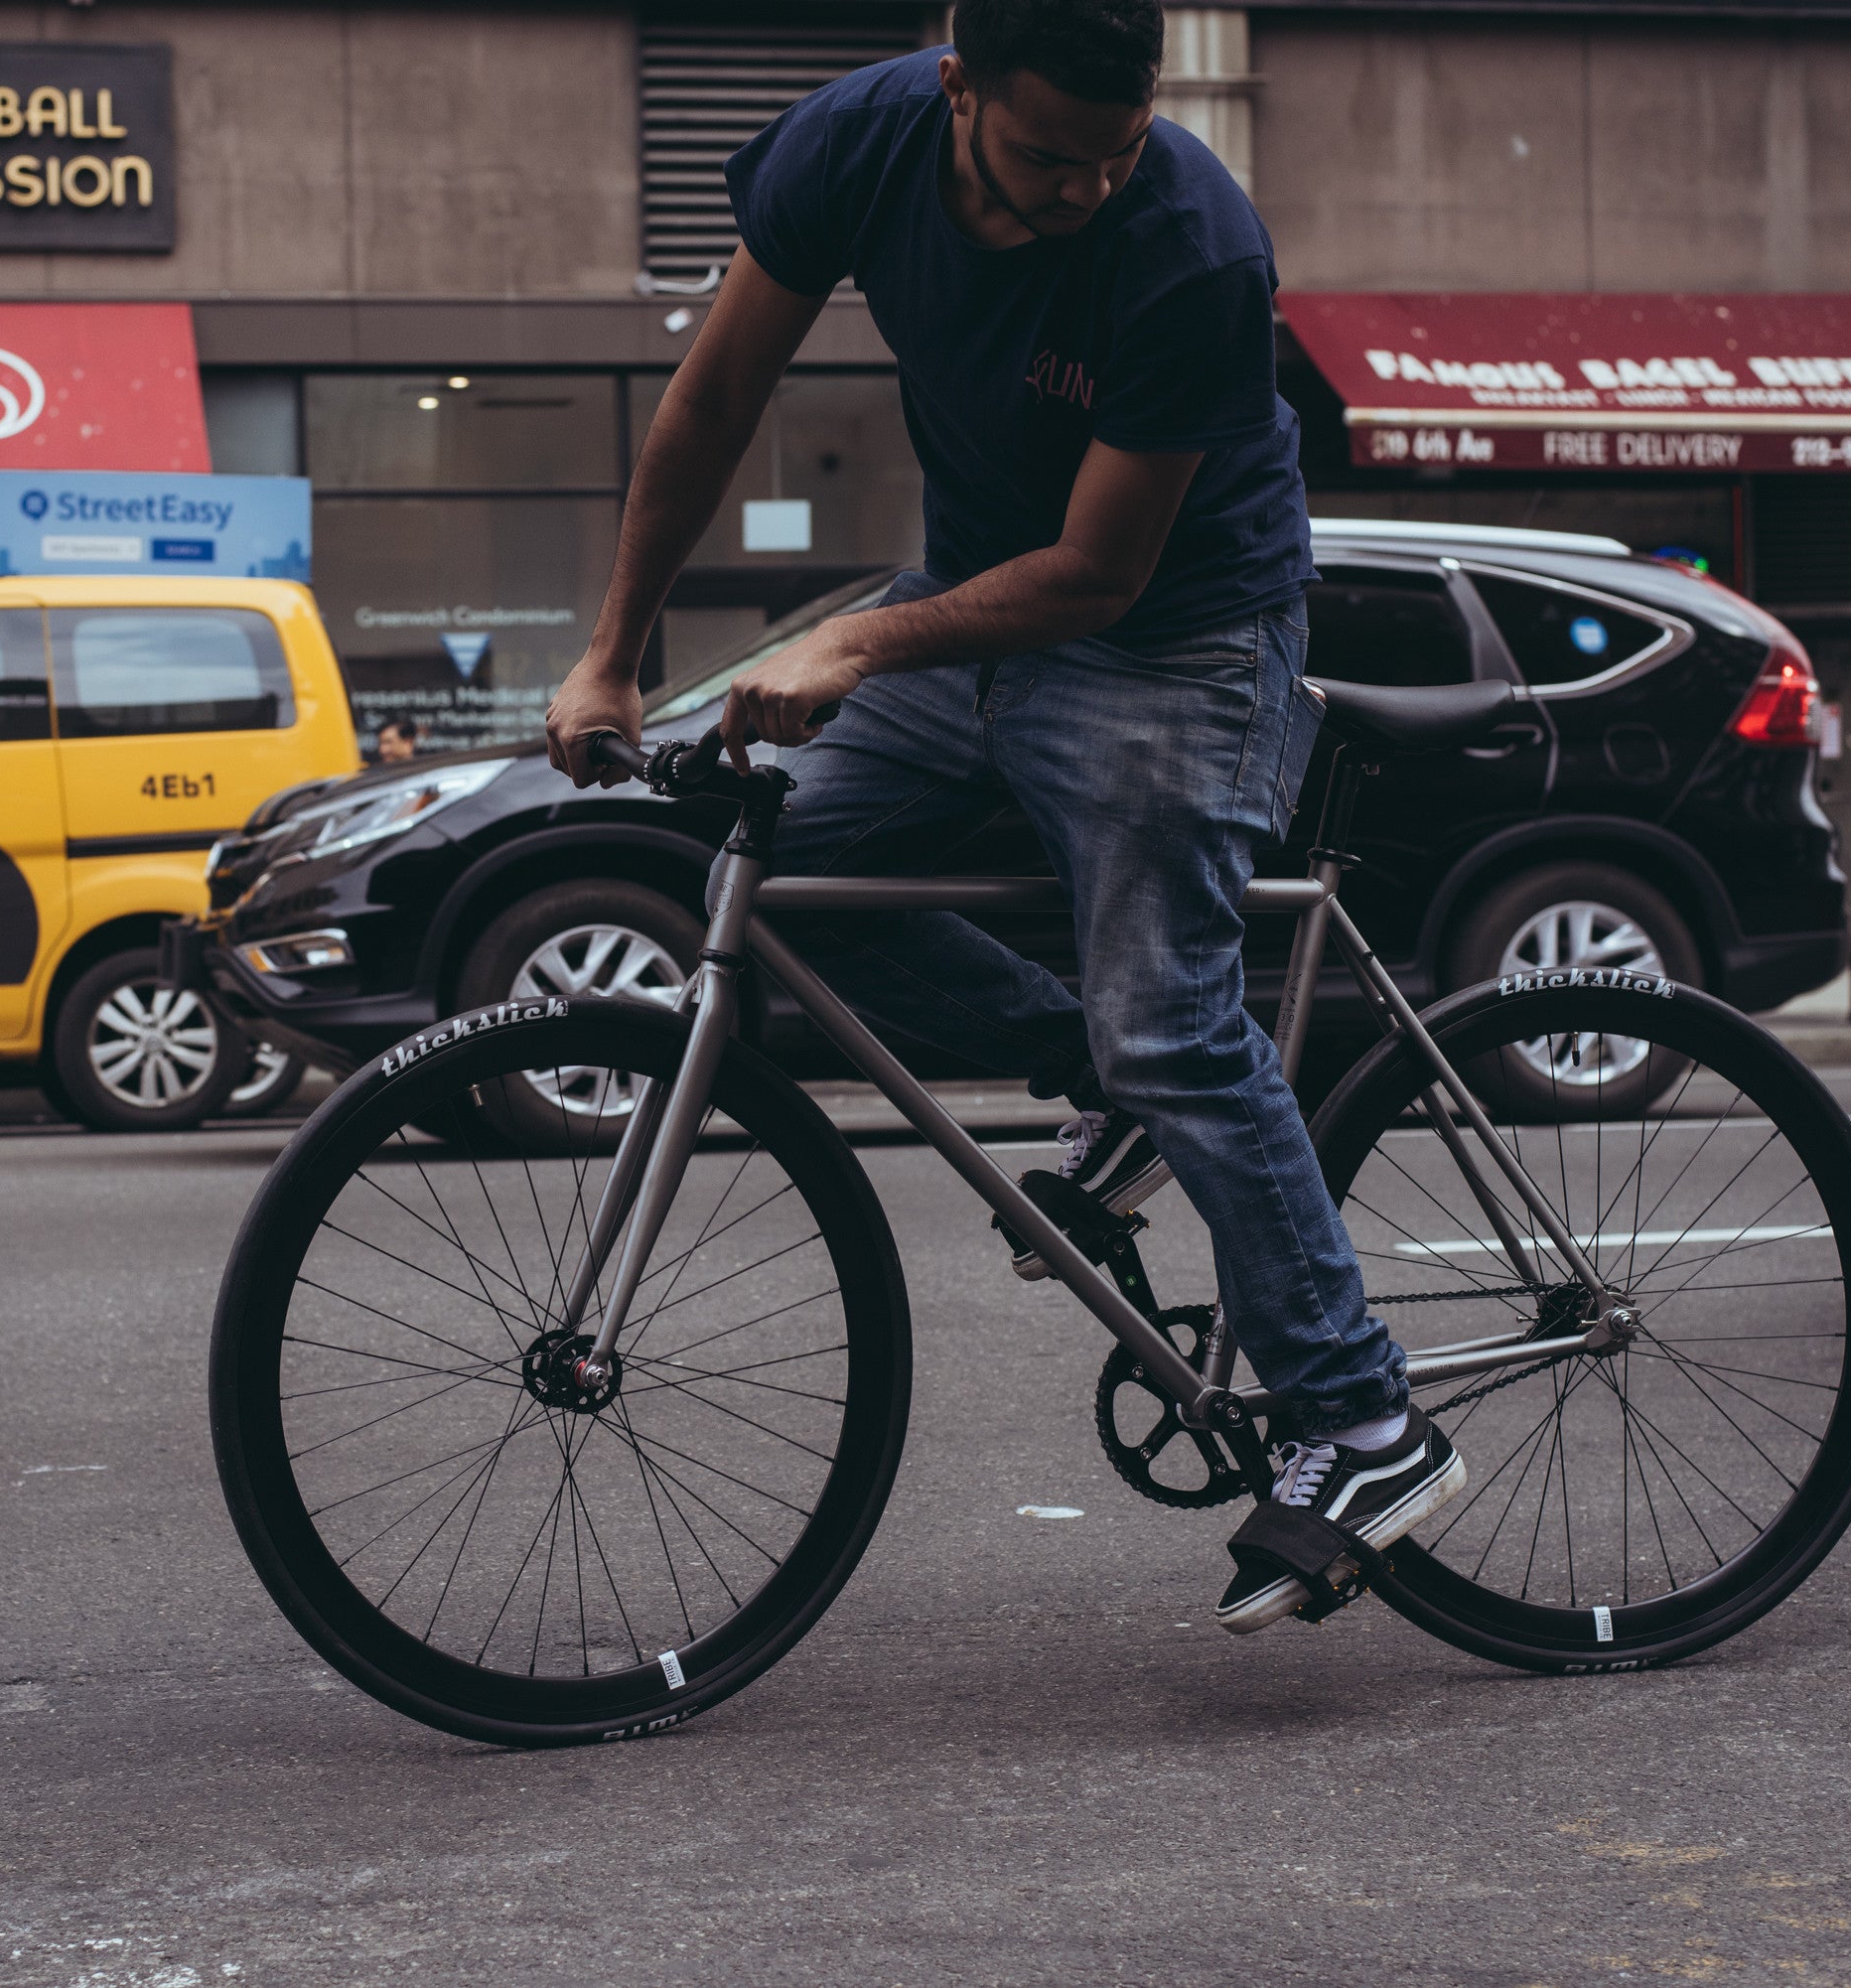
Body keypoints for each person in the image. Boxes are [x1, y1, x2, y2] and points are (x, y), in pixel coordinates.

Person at [540, 0, 1462, 1633]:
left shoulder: (1192, 246)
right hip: (971, 598)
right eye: (1049, 155)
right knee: (794, 886)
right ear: (956, 81)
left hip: (1182, 634)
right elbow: (713, 398)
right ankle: (1098, 1075)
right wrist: (611, 652)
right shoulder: (856, 140)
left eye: (1115, 153)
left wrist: (858, 639)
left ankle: (1361, 1416)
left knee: (1178, 1023)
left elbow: (1103, 574)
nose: (1083, 191)